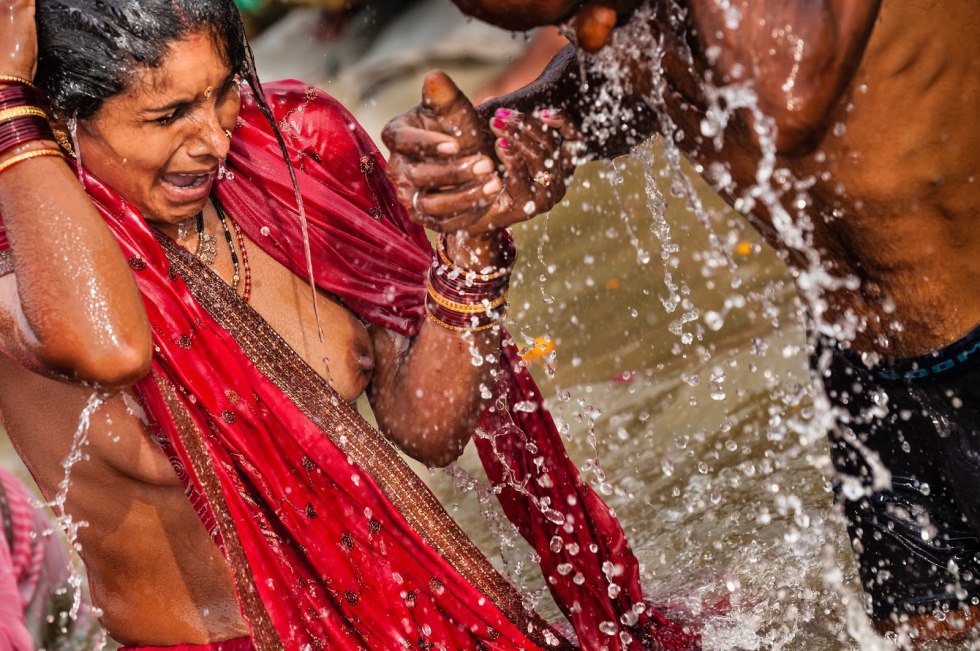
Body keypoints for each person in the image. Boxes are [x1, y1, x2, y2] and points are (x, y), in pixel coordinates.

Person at [0, 0, 699, 649]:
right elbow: (112, 349)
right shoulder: (24, 276)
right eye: (168, 115)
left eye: (223, 90)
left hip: (406, 626)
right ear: (59, 121)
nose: (213, 138)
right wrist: (7, 98)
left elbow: (426, 427)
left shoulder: (293, 156)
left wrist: (468, 245)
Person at [382, 0, 980, 643]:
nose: (593, 37)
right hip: (865, 370)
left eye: (592, 13)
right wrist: (531, 133)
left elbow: (782, 100)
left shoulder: (765, 52)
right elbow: (656, 73)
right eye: (571, 26)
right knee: (935, 635)